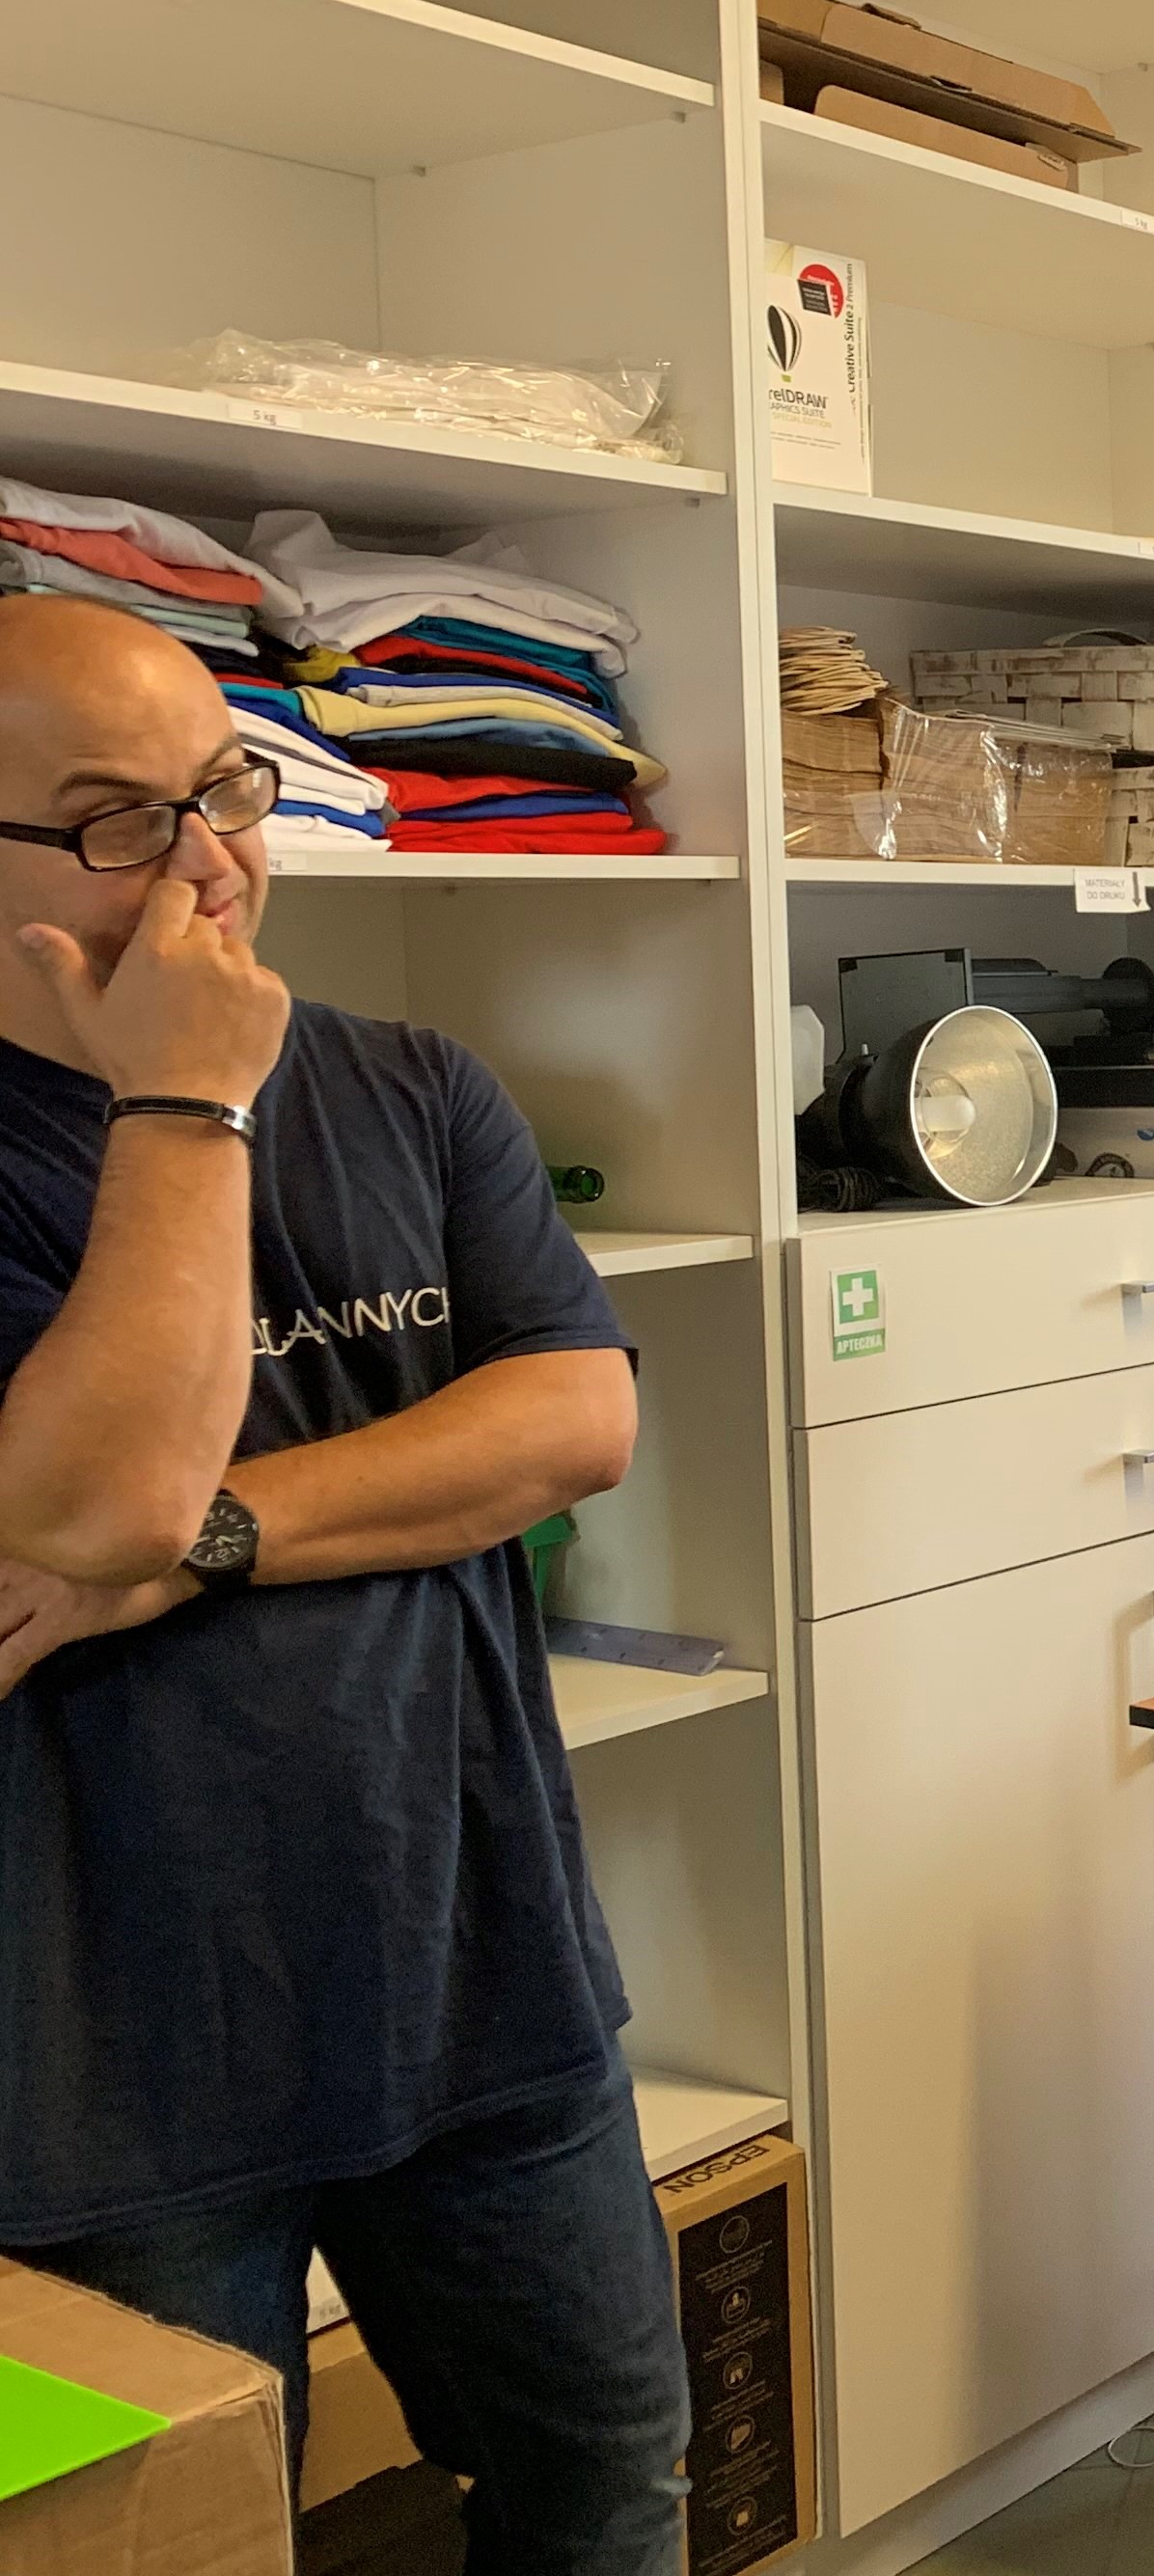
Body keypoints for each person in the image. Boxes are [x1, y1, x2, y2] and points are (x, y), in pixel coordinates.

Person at [0, 599, 688, 2573]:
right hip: (110, 2058)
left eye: (227, 788)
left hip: (481, 1969)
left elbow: (571, 1421)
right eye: (117, 821)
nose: (209, 863)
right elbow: (96, 1504)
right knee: (192, 2543)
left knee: (608, 2487)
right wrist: (182, 1102)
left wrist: (208, 1544)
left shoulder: (414, 1086)